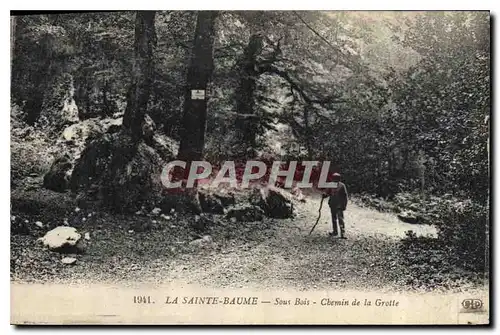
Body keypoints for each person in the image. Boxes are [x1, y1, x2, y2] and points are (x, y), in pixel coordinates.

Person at [322, 173, 348, 239]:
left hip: (339, 205)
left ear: (339, 179)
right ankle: (335, 231)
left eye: (336, 179)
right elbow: (327, 192)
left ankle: (343, 233)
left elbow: (345, 196)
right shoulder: (330, 185)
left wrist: (344, 205)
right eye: (334, 179)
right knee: (334, 219)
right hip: (332, 204)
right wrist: (324, 195)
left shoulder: (342, 186)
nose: (335, 180)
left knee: (340, 219)